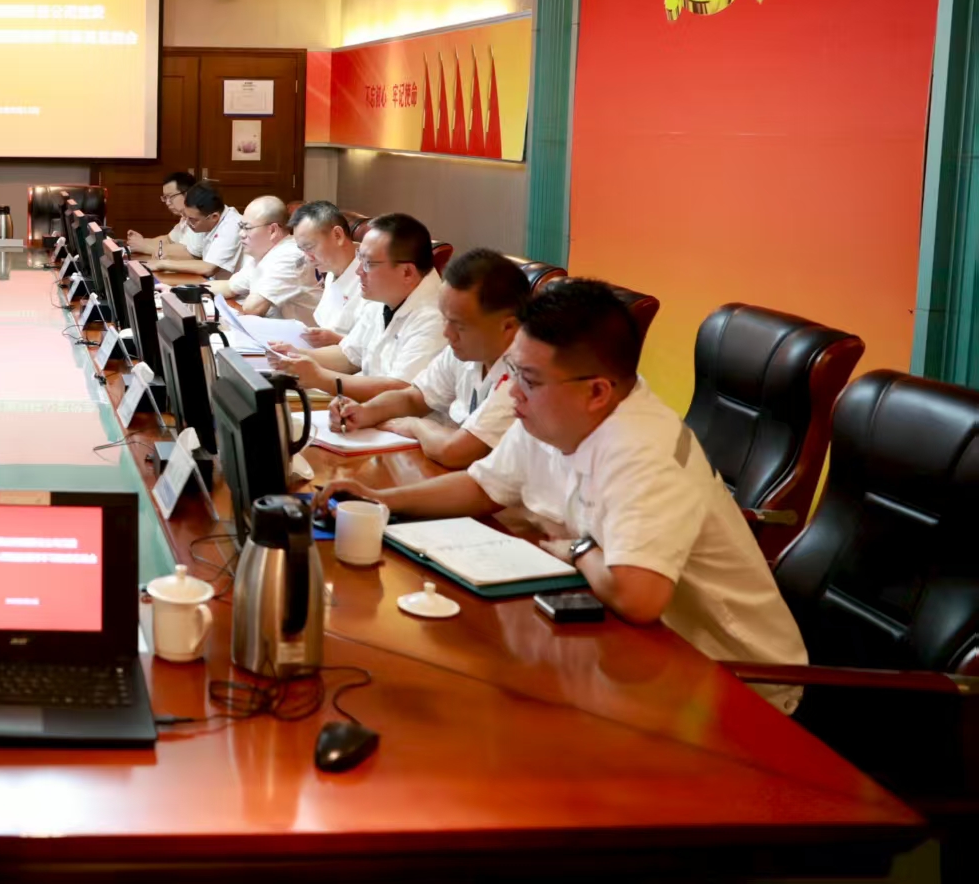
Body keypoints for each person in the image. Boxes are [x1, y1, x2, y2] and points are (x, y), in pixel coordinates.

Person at [323, 280, 807, 710]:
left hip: (731, 681)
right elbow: (483, 485)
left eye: (529, 381)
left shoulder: (645, 452)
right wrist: (381, 500)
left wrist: (576, 548)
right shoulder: (554, 409)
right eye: (515, 372)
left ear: (597, 392)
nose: (514, 393)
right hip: (625, 645)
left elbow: (638, 597)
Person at [332, 248, 527, 467]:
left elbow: (454, 452)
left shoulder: (525, 376)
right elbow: (414, 397)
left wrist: (415, 425)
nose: (447, 333)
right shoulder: (468, 350)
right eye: (445, 319)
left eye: (459, 325)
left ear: (508, 327)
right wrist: (364, 412)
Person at [269, 212, 445, 402]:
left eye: (368, 263)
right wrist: (296, 355)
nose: (359, 271)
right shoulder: (385, 295)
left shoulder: (435, 317)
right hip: (366, 406)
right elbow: (349, 355)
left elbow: (401, 390)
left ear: (407, 272)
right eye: (359, 258)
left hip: (401, 416)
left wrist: (321, 378)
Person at [210, 195, 319, 323]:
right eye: (241, 227)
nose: (241, 234)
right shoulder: (265, 252)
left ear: (272, 230)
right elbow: (229, 287)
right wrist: (190, 290)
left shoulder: (289, 256)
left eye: (247, 228)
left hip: (304, 334)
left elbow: (252, 308)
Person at [290, 201, 365, 344]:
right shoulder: (331, 270)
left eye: (309, 247)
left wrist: (337, 340)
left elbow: (374, 346)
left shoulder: (371, 274)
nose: (308, 258)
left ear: (337, 235)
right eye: (303, 250)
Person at [148, 182, 243, 278]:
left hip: (231, 286)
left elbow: (208, 268)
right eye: (186, 216)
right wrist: (167, 257)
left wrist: (164, 264)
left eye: (192, 219)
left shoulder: (232, 226)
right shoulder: (204, 221)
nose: (188, 223)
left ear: (214, 217)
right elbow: (193, 254)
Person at [124, 171, 199, 262]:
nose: (167, 202)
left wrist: (145, 247)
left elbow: (190, 254)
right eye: (165, 198)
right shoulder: (184, 218)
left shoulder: (200, 218)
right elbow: (168, 240)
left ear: (187, 194)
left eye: (171, 196)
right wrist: (141, 241)